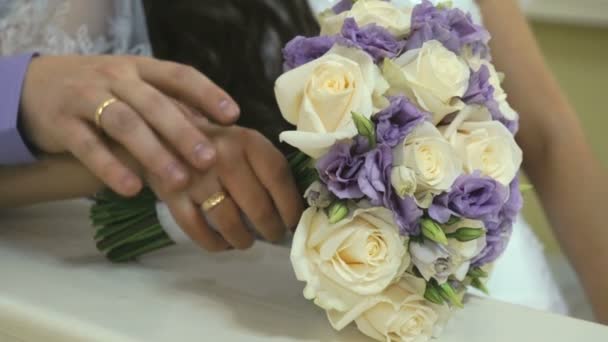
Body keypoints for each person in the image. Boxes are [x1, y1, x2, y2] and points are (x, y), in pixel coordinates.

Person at [0, 0, 607, 324]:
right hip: (302, 310)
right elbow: (68, 112)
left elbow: (548, 138)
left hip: (507, 296)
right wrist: (168, 157)